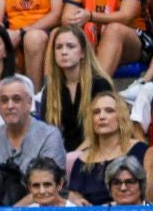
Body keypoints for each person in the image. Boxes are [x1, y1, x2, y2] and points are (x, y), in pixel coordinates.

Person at [0, 77, 67, 193]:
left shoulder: (49, 136)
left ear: (29, 103)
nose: (10, 106)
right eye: (4, 100)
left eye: (16, 99)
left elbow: (49, 189)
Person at [36, 24, 112, 152]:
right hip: (61, 157)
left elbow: (104, 131)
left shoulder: (100, 84)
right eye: (59, 47)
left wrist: (73, 157)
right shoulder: (50, 89)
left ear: (82, 52)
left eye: (70, 46)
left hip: (96, 152)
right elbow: (46, 133)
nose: (64, 52)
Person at [69, 89, 147, 204]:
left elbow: (148, 193)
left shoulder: (139, 150)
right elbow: (73, 193)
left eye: (109, 111)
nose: (101, 117)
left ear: (121, 116)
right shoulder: (82, 159)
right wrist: (75, 199)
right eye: (96, 112)